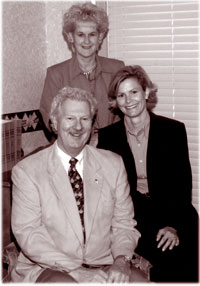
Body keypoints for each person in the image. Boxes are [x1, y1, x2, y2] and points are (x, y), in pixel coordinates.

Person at [11, 86, 148, 283]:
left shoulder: (113, 164)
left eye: (85, 119)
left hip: (105, 262)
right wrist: (74, 270)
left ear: (92, 124)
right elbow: (29, 234)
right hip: (48, 265)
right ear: (54, 123)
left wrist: (121, 260)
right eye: (70, 119)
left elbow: (124, 224)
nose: (78, 127)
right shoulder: (27, 171)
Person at [97, 65, 199, 282]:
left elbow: (183, 184)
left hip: (173, 208)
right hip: (135, 213)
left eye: (134, 92)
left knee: (183, 249)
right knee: (163, 256)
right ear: (115, 101)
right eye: (121, 95)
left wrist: (173, 225)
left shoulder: (173, 130)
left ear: (145, 92)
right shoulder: (107, 138)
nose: (128, 100)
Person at [40, 2, 124, 141]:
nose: (86, 41)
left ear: (101, 37)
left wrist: (102, 138)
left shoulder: (117, 69)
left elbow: (126, 113)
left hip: (112, 144)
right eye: (80, 34)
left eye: (92, 34)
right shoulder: (56, 74)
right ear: (70, 37)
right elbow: (51, 120)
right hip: (71, 145)